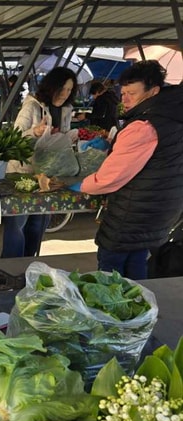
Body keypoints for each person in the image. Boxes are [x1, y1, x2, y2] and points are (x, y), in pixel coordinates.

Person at [72, 60, 183, 280]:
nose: (125, 99)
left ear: (153, 91)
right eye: (123, 93)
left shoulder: (144, 126)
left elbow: (108, 178)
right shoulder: (174, 117)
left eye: (132, 93)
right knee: (136, 268)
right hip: (160, 211)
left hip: (132, 214)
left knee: (110, 276)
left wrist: (80, 185)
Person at [1, 66, 79, 258]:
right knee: (18, 223)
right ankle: (10, 266)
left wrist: (67, 138)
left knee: (38, 223)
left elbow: (58, 139)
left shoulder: (66, 110)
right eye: (62, 89)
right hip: (22, 174)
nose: (65, 94)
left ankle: (28, 263)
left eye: (69, 90)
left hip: (48, 174)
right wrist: (33, 132)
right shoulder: (32, 106)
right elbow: (13, 138)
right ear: (52, 86)